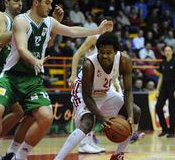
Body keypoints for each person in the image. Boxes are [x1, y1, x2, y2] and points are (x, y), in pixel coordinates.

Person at [0, 0, 113, 159]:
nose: (50, 7)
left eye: (51, 3)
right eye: (47, 3)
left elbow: (72, 31)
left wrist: (98, 31)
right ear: (36, 3)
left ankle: (21, 155)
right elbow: (22, 49)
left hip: (32, 80)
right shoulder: (21, 21)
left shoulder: (49, 22)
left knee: (46, 117)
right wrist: (35, 60)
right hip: (11, 76)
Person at [0, 0, 65, 160]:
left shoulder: (26, 21)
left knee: (30, 114)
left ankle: (12, 152)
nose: (20, 3)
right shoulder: (0, 16)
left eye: (21, 0)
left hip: (21, 72)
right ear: (6, 3)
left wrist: (50, 25)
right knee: (14, 112)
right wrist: (24, 29)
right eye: (15, 0)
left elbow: (44, 44)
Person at [54, 32, 141, 160]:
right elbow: (87, 97)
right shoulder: (89, 64)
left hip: (105, 92)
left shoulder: (124, 60)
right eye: (101, 52)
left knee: (135, 111)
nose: (104, 55)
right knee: (88, 123)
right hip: (83, 93)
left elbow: (128, 91)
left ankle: (117, 155)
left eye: (108, 52)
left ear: (115, 52)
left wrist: (131, 117)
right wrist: (102, 117)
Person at [155, 46, 175, 138]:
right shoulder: (162, 63)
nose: (167, 52)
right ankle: (164, 129)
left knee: (172, 110)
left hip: (173, 88)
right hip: (164, 88)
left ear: (172, 52)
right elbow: (161, 77)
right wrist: (157, 89)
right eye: (165, 50)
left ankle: (172, 132)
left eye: (169, 50)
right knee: (158, 107)